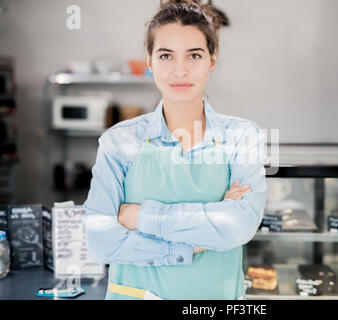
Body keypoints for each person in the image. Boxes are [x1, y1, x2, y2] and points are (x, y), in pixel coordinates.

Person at [83, 0, 267, 300]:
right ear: (150, 61)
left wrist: (139, 216)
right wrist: (192, 242)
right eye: (166, 55)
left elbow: (240, 225)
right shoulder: (120, 141)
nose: (180, 71)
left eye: (194, 55)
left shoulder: (242, 137)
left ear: (212, 59)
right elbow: (100, 240)